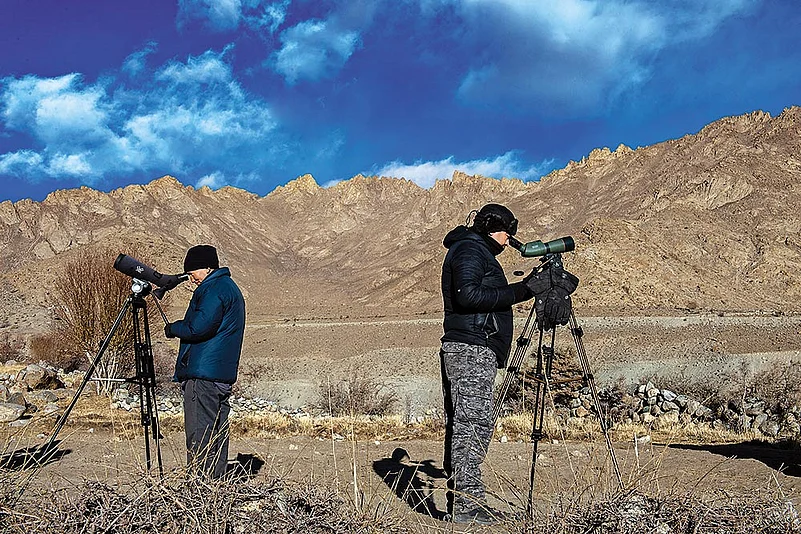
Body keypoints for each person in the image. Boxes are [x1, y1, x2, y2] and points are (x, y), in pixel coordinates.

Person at [439, 203, 574, 525]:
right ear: (493, 228)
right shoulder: (470, 250)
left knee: (470, 423)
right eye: (506, 233)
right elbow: (468, 296)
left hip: (475, 347)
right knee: (473, 424)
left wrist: (530, 287)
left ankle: (465, 502)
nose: (509, 240)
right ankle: (468, 506)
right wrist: (526, 289)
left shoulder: (475, 251)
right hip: (471, 348)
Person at [164, 244, 245, 478]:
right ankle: (215, 488)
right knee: (216, 434)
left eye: (192, 274)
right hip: (220, 375)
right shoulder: (229, 288)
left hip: (203, 376)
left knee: (200, 435)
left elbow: (198, 327)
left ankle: (200, 488)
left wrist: (172, 328)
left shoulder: (214, 290)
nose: (191, 280)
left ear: (207, 268)